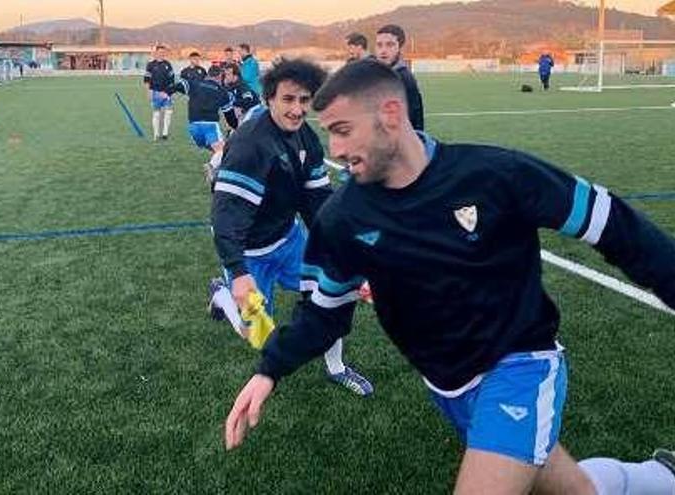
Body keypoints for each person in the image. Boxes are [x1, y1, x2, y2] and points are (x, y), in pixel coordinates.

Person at [223, 59, 675, 494]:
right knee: (575, 491)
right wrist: (270, 370)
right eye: (329, 134)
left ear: (391, 115)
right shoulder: (342, 218)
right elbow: (324, 313)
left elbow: (613, 224)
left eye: (343, 130)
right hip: (449, 384)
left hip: (521, 364)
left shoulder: (495, 174)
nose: (336, 150)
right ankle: (662, 476)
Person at [210, 58, 374, 397]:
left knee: (330, 293)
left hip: (288, 240)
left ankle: (337, 368)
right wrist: (238, 272)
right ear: (269, 98)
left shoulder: (306, 139)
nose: (297, 109)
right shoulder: (250, 145)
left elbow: (318, 203)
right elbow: (226, 215)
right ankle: (223, 296)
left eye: (304, 100)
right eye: (288, 99)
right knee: (256, 334)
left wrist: (343, 251)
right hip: (249, 253)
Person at [166, 65, 238, 177]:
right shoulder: (222, 92)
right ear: (219, 76)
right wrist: (237, 127)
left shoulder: (195, 83)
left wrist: (167, 91)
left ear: (208, 75)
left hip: (193, 127)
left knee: (216, 150)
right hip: (210, 126)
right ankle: (211, 167)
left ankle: (218, 172)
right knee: (223, 151)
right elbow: (229, 116)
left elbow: (179, 85)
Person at [375, 24, 424, 131]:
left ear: (399, 47)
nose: (383, 50)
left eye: (390, 45)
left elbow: (407, 121)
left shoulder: (402, 77)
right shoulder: (386, 74)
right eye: (379, 45)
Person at [143, 45, 175, 141]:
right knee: (156, 113)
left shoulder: (168, 64)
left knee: (168, 112)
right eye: (160, 52)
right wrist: (148, 92)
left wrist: (171, 93)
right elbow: (146, 80)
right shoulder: (150, 65)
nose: (162, 53)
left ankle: (165, 134)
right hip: (155, 92)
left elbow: (172, 80)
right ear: (156, 53)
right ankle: (156, 134)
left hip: (166, 92)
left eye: (163, 52)